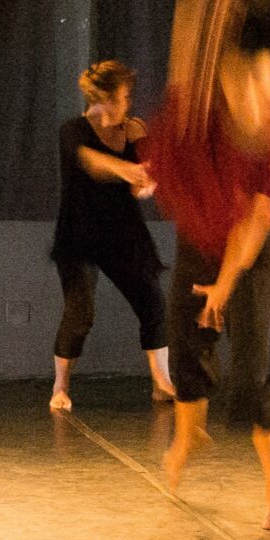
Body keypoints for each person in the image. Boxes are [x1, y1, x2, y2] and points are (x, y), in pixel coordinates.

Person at [142, 0, 270, 530]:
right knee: (188, 355)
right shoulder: (195, 118)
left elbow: (254, 227)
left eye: (259, 85)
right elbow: (187, 60)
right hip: (199, 242)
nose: (250, 97)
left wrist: (225, 286)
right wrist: (205, 11)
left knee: (250, 377)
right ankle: (188, 441)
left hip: (247, 258)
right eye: (237, 83)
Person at [49, 60, 173, 412]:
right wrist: (127, 170)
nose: (127, 104)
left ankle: (162, 383)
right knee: (80, 313)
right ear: (102, 98)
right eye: (122, 97)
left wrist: (146, 182)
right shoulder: (73, 130)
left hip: (123, 232)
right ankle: (60, 385)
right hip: (80, 234)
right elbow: (92, 163)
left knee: (151, 298)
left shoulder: (134, 130)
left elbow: (149, 177)